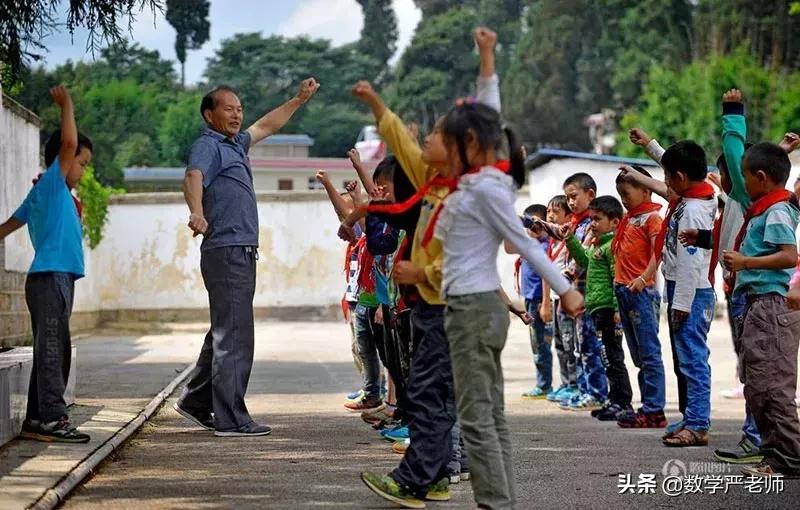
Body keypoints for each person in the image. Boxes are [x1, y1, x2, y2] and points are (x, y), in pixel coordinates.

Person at [354, 26, 503, 508]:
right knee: (431, 394)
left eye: (438, 135)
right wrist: (378, 107)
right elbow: (401, 140)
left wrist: (487, 58)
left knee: (426, 392)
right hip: (429, 310)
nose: (428, 140)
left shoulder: (467, 193)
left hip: (449, 309)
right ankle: (435, 475)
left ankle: (417, 478)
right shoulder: (431, 181)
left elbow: (462, 262)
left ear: (463, 149)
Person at [433, 99, 583, 510]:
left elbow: (525, 245)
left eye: (444, 140)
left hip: (472, 310)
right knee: (489, 415)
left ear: (468, 142)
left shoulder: (483, 190)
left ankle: (495, 504)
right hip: (476, 308)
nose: (438, 147)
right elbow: (488, 115)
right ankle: (501, 501)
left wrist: (564, 290)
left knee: (478, 418)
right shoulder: (482, 183)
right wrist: (486, 60)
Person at [176, 78, 319, 437]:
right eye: (228, 108)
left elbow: (267, 125)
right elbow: (193, 177)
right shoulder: (208, 146)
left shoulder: (236, 144)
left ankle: (195, 400)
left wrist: (298, 100)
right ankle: (231, 418)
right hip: (226, 248)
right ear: (209, 115)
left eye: (239, 108)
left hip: (239, 249)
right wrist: (197, 211)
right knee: (235, 334)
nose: (237, 114)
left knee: (226, 330)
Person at [0, 86, 93, 443]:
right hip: (49, 279)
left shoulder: (49, 193)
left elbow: (9, 224)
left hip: (57, 280)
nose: (83, 170)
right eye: (81, 164)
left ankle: (39, 419)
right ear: (63, 161)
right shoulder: (52, 184)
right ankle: (53, 418)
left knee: (53, 350)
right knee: (53, 351)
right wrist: (67, 103)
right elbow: (68, 145)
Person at [722, 142, 800, 478]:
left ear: (762, 178)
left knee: (774, 389)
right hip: (756, 304)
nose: (741, 182)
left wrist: (745, 262)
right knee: (757, 385)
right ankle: (774, 457)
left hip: (770, 305)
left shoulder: (777, 211)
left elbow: (789, 256)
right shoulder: (763, 208)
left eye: (744, 176)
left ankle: (791, 458)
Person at [657, 141, 717, 447]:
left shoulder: (692, 210)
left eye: (667, 175)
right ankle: (693, 416)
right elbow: (675, 169)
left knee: (692, 360)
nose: (665, 181)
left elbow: (690, 262)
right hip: (685, 288)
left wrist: (681, 303)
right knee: (687, 359)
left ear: (680, 177)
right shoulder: (699, 193)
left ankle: (697, 424)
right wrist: (650, 146)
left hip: (690, 291)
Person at [563, 196, 634, 421]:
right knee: (606, 357)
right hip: (597, 310)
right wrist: (570, 239)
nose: (592, 223)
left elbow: (617, 279)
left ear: (614, 222)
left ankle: (623, 402)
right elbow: (583, 261)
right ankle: (613, 401)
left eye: (598, 219)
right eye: (591, 219)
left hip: (608, 311)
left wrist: (616, 309)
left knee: (614, 357)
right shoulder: (598, 246)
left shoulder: (612, 246)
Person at [612, 166, 667, 429]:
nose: (623, 198)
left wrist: (643, 278)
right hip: (624, 290)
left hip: (641, 292)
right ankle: (647, 406)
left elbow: (659, 252)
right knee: (637, 353)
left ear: (646, 189)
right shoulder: (629, 217)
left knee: (648, 352)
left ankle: (654, 409)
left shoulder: (651, 218)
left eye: (627, 192)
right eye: (620, 193)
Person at [559, 173, 608, 411]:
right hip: (577, 295)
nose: (570, 202)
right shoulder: (577, 224)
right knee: (581, 347)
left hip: (589, 295)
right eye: (567, 198)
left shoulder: (592, 225)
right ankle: (586, 389)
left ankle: (597, 393)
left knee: (590, 347)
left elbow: (582, 259)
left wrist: (563, 278)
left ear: (590, 194)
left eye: (573, 196)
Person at [512, 204, 555, 399]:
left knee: (543, 344)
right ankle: (542, 383)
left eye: (536, 224)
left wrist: (545, 302)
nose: (532, 229)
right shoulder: (527, 246)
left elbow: (547, 276)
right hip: (530, 300)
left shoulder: (546, 247)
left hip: (540, 301)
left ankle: (545, 384)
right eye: (529, 224)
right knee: (536, 344)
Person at [543, 195, 580, 404]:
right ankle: (566, 383)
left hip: (568, 297)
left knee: (570, 342)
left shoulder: (571, 237)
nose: (550, 216)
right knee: (559, 342)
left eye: (555, 212)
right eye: (548, 211)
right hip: (557, 298)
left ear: (568, 215)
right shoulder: (552, 241)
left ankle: (574, 384)